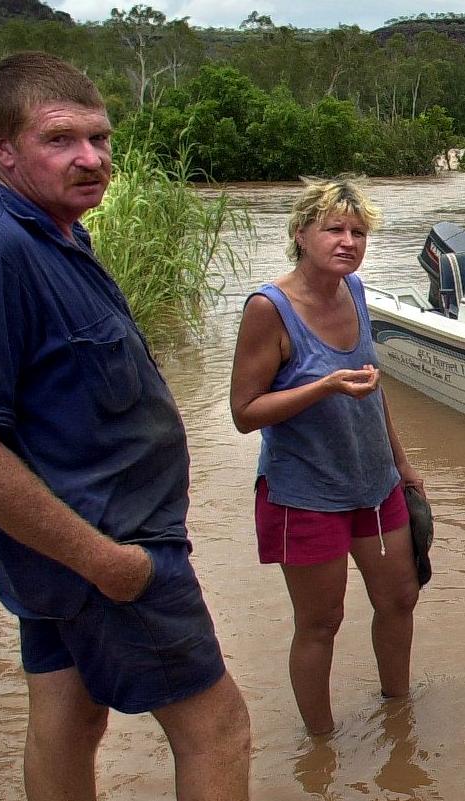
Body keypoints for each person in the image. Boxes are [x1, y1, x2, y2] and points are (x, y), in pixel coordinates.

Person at [0, 51, 250, 801]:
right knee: (217, 727)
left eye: (99, 139)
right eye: (60, 139)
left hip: (77, 550)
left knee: (66, 719)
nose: (91, 158)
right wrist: (108, 563)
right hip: (107, 551)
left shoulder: (54, 230)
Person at [230, 176, 423, 736]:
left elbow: (373, 387)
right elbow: (244, 412)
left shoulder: (356, 291)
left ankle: (398, 713)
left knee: (400, 599)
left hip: (375, 481)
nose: (348, 241)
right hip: (304, 494)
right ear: (300, 233)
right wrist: (324, 387)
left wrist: (404, 466)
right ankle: (321, 744)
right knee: (320, 622)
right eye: (333, 228)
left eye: (358, 232)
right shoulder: (270, 308)